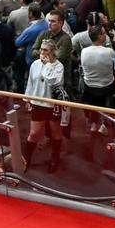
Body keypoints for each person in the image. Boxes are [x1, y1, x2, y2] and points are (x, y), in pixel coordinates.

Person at [22, 38, 68, 171]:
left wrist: (48, 65)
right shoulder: (35, 64)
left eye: (45, 50)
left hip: (53, 104)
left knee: (55, 133)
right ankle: (26, 159)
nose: (42, 52)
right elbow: (30, 82)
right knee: (34, 133)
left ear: (53, 51)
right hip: (38, 103)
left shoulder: (59, 66)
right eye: (41, 49)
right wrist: (27, 99)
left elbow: (53, 82)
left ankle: (55, 158)